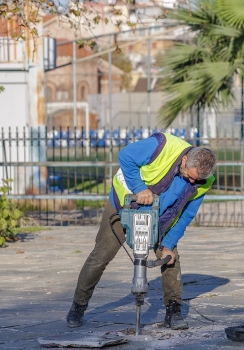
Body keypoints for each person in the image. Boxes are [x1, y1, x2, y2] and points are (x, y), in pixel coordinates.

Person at [66, 132, 217, 330]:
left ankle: (173, 311)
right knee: (101, 256)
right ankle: (79, 305)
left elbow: (186, 215)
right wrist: (140, 187)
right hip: (124, 206)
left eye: (195, 180)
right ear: (185, 159)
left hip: (161, 218)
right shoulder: (162, 145)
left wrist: (169, 244)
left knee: (170, 259)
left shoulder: (203, 180)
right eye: (189, 176)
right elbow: (125, 156)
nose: (191, 182)